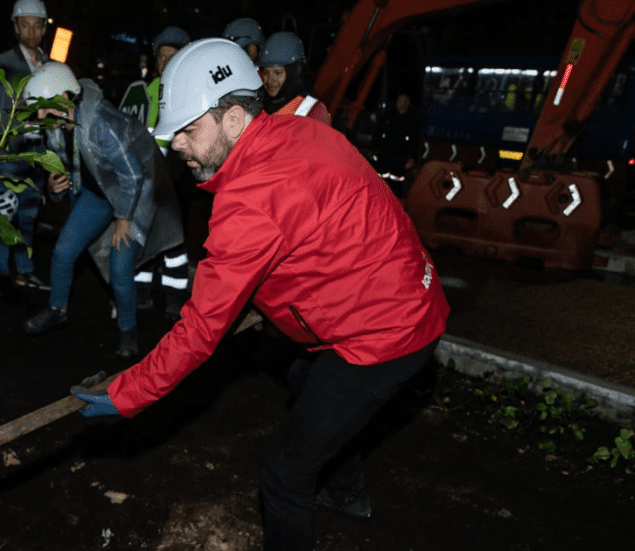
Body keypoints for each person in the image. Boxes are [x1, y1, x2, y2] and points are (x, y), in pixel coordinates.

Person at [70, 39, 449, 551]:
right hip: (408, 297)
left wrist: (128, 392)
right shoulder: (300, 132)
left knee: (284, 472)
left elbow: (200, 330)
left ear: (231, 120)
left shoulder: (250, 201)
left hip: (383, 336)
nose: (176, 145)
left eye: (187, 130)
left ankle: (330, 487)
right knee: (304, 376)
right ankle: (346, 491)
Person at [21, 62, 184, 359]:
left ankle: (128, 329)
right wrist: (53, 188)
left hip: (137, 191)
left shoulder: (100, 123)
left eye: (45, 108)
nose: (40, 117)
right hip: (98, 192)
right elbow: (66, 172)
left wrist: (124, 218)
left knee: (120, 269)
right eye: (38, 110)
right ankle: (57, 309)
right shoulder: (57, 126)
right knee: (63, 251)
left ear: (67, 97)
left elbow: (133, 175)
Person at [0, 0, 52, 290]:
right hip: (10, 152)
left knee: (29, 215)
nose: (31, 31)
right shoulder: (3, 62)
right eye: (25, 25)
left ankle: (25, 268)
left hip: (38, 152)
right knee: (4, 215)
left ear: (44, 28)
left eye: (37, 25)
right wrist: (9, 132)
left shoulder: (48, 65)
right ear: (15, 27)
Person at [130, 25, 193, 321]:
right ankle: (140, 292)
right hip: (146, 179)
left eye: (173, 56)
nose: (166, 62)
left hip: (176, 181)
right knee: (142, 235)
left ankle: (174, 297)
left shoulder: (192, 93)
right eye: (162, 56)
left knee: (174, 243)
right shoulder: (146, 92)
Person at [257, 31, 331, 125]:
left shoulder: (314, 112)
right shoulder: (258, 106)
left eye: (278, 73)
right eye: (266, 73)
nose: (269, 80)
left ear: (294, 73)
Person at [374, 92, 419, 196]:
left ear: (407, 103)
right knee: (380, 180)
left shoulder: (411, 121)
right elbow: (378, 133)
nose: (398, 102)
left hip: (400, 158)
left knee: (397, 184)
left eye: (402, 100)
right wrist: (374, 149)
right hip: (385, 155)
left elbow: (414, 142)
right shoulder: (388, 117)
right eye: (398, 99)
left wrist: (413, 158)